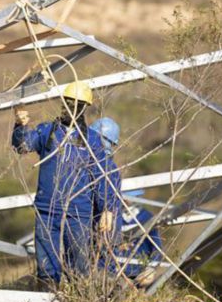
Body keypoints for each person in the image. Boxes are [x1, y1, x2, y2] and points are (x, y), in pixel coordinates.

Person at [12, 81, 112, 287]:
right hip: (47, 211)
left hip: (79, 214)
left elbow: (101, 178)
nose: (72, 107)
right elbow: (22, 146)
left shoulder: (92, 141)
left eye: (78, 104)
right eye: (68, 102)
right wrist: (20, 126)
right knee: (47, 268)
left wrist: (107, 209)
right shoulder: (47, 132)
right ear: (62, 103)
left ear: (85, 108)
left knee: (80, 269)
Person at [90, 117, 123, 276]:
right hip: (107, 226)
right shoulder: (110, 166)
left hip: (103, 226)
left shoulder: (104, 166)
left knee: (103, 271)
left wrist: (106, 210)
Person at [119, 202, 163, 288]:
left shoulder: (147, 216)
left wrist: (151, 269)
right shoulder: (115, 216)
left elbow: (156, 247)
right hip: (116, 272)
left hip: (139, 273)